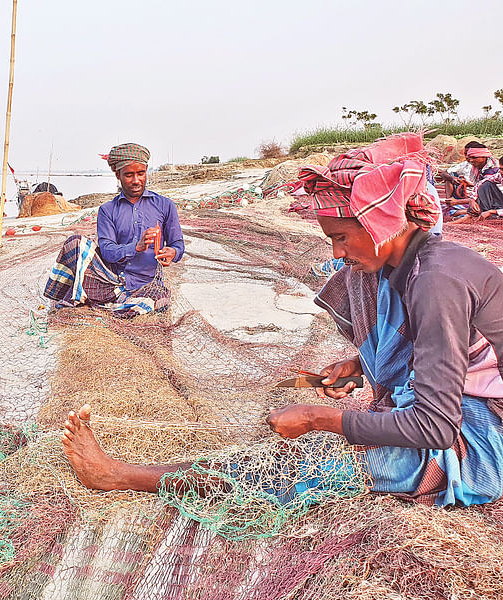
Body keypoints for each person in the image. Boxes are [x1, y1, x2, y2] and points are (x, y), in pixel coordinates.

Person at [62, 133, 503, 507]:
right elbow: (444, 347)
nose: (336, 253)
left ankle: (120, 476)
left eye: (341, 237)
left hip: (482, 438)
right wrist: (357, 365)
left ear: (381, 222)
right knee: (327, 440)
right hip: (465, 409)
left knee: (308, 462)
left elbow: (436, 426)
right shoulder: (412, 265)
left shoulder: (435, 281)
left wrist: (317, 417)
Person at [44, 143, 184, 317]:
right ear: (117, 175)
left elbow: (177, 244)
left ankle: (99, 302)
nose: (136, 180)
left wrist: (173, 252)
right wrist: (136, 247)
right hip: (109, 281)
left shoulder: (165, 205)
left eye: (141, 173)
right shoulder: (107, 210)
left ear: (146, 170)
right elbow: (108, 251)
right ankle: (99, 298)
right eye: (129, 175)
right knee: (75, 243)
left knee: (158, 299)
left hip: (145, 284)